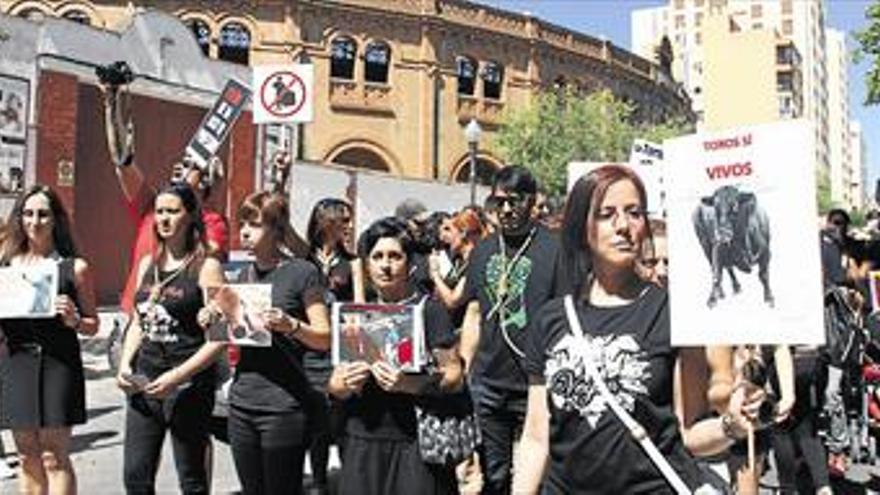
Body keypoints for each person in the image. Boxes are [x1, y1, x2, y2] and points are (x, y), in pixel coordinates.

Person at [514, 165, 760, 493]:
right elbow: (535, 436)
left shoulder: (671, 312)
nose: (623, 227)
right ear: (581, 227)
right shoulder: (551, 319)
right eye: (606, 214)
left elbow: (690, 433)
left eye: (634, 213)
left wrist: (732, 425)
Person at [328, 218, 464, 495]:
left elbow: (455, 376)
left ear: (410, 263)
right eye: (377, 256)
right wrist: (343, 384)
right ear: (367, 264)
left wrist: (410, 384)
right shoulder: (355, 315)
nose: (386, 265)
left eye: (394, 256)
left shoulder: (430, 311)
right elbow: (335, 386)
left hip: (415, 444)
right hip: (362, 441)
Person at [115, 183, 226, 494]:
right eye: (159, 211)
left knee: (191, 479)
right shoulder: (147, 265)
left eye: (172, 211)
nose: (163, 218)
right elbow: (139, 321)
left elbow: (219, 339)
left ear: (190, 216)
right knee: (136, 475)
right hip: (145, 380)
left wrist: (177, 377)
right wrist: (125, 364)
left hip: (187, 385)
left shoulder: (206, 267)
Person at [218, 191, 331, 495]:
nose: (244, 231)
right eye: (242, 223)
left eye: (254, 224)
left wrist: (291, 326)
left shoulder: (301, 272)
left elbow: (324, 337)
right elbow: (224, 334)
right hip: (242, 402)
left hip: (284, 406)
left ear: (277, 229)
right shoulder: (239, 274)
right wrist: (212, 317)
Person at [459, 165, 560, 495]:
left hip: (538, 381)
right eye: (497, 202)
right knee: (495, 475)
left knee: (540, 476)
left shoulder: (555, 249)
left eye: (513, 201)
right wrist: (465, 368)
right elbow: (474, 312)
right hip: (488, 382)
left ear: (532, 202)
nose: (504, 209)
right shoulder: (484, 250)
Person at [0, 185, 98, 495]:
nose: (34, 221)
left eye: (43, 214)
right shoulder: (6, 267)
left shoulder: (74, 268)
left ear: (56, 219)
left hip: (59, 364)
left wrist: (75, 320)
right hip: (17, 364)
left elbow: (93, 325)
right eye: (28, 213)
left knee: (53, 457)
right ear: (19, 218)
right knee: (26, 457)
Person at [101, 82, 229, 314]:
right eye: (182, 162)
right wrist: (111, 103)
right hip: (135, 317)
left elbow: (206, 252)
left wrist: (189, 189)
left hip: (176, 325)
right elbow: (123, 162)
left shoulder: (212, 221)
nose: (163, 218)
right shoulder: (151, 205)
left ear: (204, 182)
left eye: (191, 167)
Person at [303, 197, 355, 493]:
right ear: (326, 222)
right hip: (310, 349)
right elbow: (283, 229)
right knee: (317, 423)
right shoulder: (304, 259)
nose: (348, 226)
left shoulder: (352, 262)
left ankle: (351, 480)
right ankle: (319, 482)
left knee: (344, 419)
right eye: (343, 220)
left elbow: (358, 306)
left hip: (341, 348)